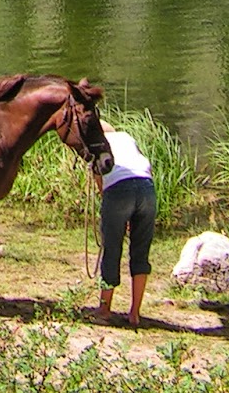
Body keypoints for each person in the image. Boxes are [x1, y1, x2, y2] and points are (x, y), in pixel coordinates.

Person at [96, 127, 156, 327]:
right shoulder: (126, 137)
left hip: (118, 187)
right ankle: (135, 313)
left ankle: (104, 310)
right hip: (147, 187)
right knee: (140, 252)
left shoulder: (97, 144)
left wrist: (112, 206)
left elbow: (100, 181)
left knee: (112, 249)